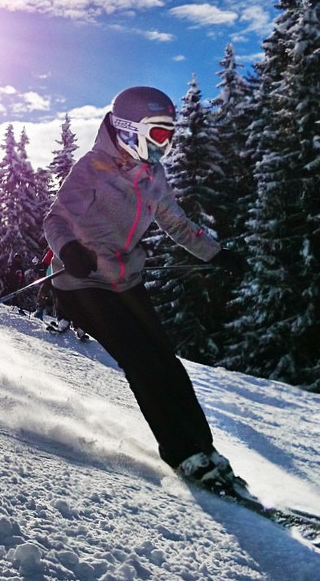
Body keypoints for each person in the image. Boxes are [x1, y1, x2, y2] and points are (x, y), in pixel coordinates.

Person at [43, 85, 248, 492]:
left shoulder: (153, 175)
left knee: (166, 361)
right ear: (128, 128)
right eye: (157, 134)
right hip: (81, 282)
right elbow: (55, 220)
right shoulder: (91, 168)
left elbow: (175, 223)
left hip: (124, 280)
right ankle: (181, 453)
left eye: (169, 135)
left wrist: (216, 254)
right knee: (141, 361)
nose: (165, 144)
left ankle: (205, 449)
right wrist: (69, 249)